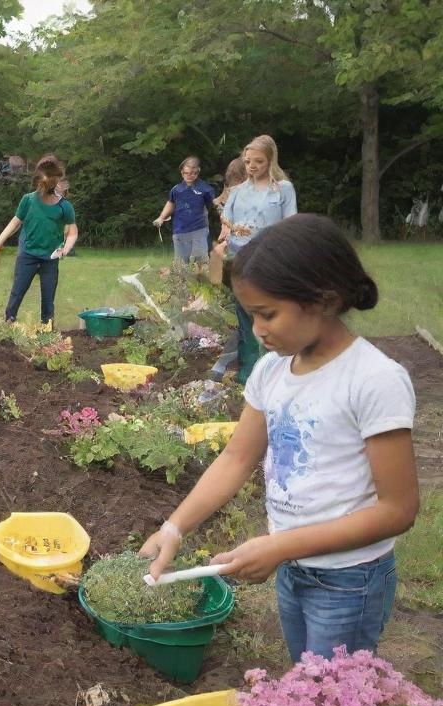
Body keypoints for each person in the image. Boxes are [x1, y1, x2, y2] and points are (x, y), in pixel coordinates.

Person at [140, 214, 418, 663]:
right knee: (307, 682)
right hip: (293, 565)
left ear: (324, 301)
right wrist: (174, 527)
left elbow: (398, 510)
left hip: (349, 577)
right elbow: (235, 457)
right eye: (251, 316)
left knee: (331, 702)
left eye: (267, 314)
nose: (257, 330)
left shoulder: (373, 380)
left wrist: (278, 547)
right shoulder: (272, 371)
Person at [218, 135, 298, 383]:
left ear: (270, 161)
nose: (252, 166)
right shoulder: (237, 192)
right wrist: (224, 243)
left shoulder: (283, 189)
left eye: (258, 161)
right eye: (248, 161)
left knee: (271, 319)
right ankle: (248, 377)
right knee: (245, 322)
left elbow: (291, 224)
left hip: (270, 261)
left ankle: (276, 375)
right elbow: (226, 225)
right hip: (240, 261)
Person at [0, 154, 78, 326]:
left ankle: (47, 331)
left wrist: (64, 250)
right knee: (17, 293)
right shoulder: (28, 200)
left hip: (49, 260)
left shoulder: (64, 206)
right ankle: (8, 324)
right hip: (27, 256)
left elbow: (73, 232)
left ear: (55, 181)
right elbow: (14, 223)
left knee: (48, 299)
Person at [208, 157, 250, 379]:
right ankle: (241, 372)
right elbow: (227, 231)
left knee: (257, 326)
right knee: (245, 322)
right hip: (243, 269)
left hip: (261, 270)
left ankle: (250, 376)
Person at [153, 156, 216, 264]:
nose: (189, 176)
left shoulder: (206, 189)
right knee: (181, 263)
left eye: (193, 173)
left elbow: (214, 204)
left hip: (199, 229)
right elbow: (171, 203)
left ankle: (201, 279)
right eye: (186, 173)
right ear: (182, 173)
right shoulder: (176, 189)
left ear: (198, 172)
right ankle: (181, 280)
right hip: (179, 229)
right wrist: (161, 218)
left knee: (200, 260)